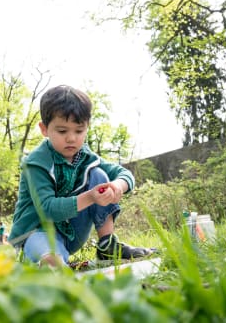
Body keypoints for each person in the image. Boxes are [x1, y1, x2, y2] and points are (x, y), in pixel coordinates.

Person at [8, 85, 154, 268]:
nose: (71, 138)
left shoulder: (86, 157)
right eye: (62, 131)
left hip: (72, 233)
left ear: (86, 128)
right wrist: (90, 196)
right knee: (50, 258)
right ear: (44, 129)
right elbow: (47, 209)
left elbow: (123, 174)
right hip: (36, 232)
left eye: (79, 131)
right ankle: (50, 261)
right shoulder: (36, 163)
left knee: (99, 174)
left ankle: (107, 244)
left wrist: (117, 186)